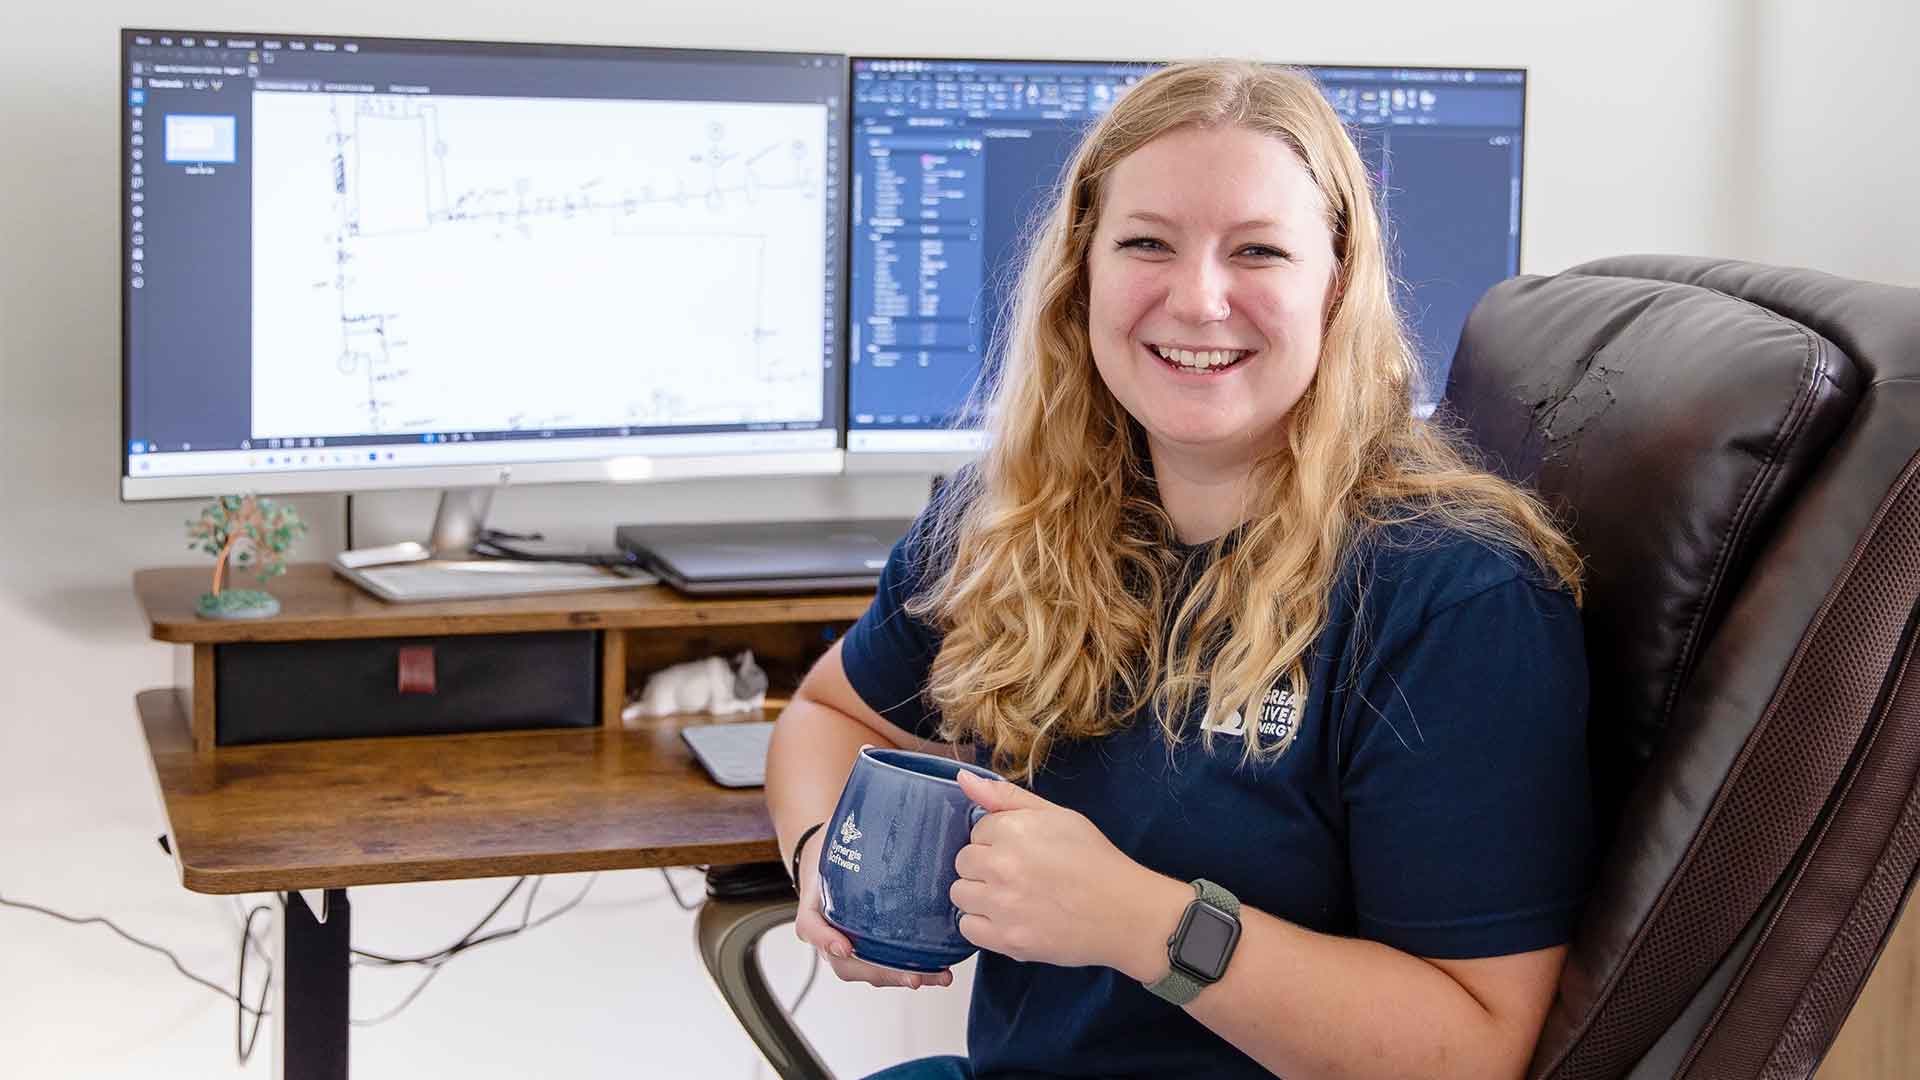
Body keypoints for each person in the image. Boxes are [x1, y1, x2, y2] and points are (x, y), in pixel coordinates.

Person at [766, 59, 1592, 1080]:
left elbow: (1471, 1048)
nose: (1198, 300)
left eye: (1258, 251)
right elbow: (830, 716)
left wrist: (1146, 925)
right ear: (1083, 274)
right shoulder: (1011, 518)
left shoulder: (1454, 592)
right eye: (1147, 243)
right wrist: (821, 860)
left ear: (1336, 284)